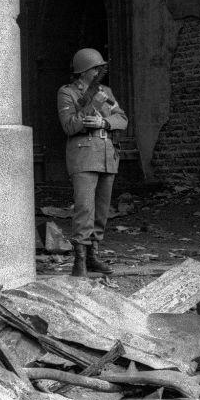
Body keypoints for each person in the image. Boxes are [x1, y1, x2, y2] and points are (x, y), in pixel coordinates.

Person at [57, 48, 128, 277]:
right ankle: (79, 261)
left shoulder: (105, 91)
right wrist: (93, 106)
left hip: (107, 156)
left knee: (101, 210)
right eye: (95, 68)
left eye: (100, 68)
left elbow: (122, 119)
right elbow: (69, 126)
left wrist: (104, 123)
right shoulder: (67, 93)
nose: (100, 72)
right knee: (84, 208)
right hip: (84, 157)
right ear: (84, 71)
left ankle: (93, 256)